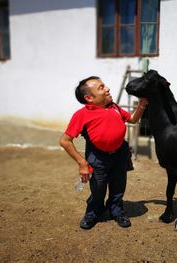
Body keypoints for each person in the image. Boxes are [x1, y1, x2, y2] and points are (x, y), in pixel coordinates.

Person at [59, 76, 148, 230]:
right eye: (101, 88)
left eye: (105, 85)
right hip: (98, 157)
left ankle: (116, 210)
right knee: (98, 188)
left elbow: (132, 120)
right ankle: (93, 212)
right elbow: (65, 141)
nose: (107, 89)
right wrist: (82, 163)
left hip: (120, 154)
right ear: (89, 98)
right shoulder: (82, 115)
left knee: (118, 186)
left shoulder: (115, 108)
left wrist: (141, 106)